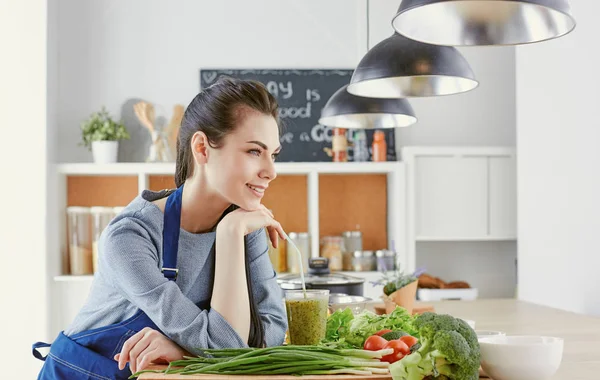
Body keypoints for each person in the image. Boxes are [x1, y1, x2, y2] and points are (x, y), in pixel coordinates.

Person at [32, 77, 289, 379]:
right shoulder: (130, 237)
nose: (270, 171)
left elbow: (271, 329)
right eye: (254, 152)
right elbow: (229, 349)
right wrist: (230, 234)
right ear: (202, 148)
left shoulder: (244, 224)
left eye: (273, 155)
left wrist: (183, 352)